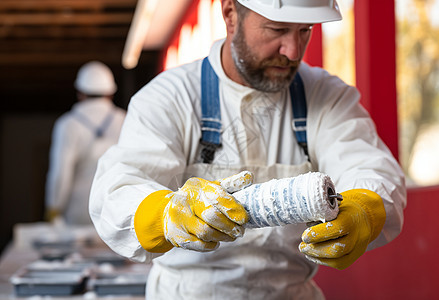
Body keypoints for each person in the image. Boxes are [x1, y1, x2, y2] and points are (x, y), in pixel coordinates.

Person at [89, 0, 406, 299]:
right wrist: (166, 214)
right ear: (230, 14)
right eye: (277, 29)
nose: (293, 50)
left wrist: (363, 208)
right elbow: (117, 192)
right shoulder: (170, 97)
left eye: (304, 30)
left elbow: (373, 170)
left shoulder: (327, 96)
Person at [46, 61, 126, 225]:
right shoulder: (125, 120)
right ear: (110, 93)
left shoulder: (68, 124)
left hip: (79, 210)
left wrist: (54, 208)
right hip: (117, 209)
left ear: (80, 93)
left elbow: (60, 173)